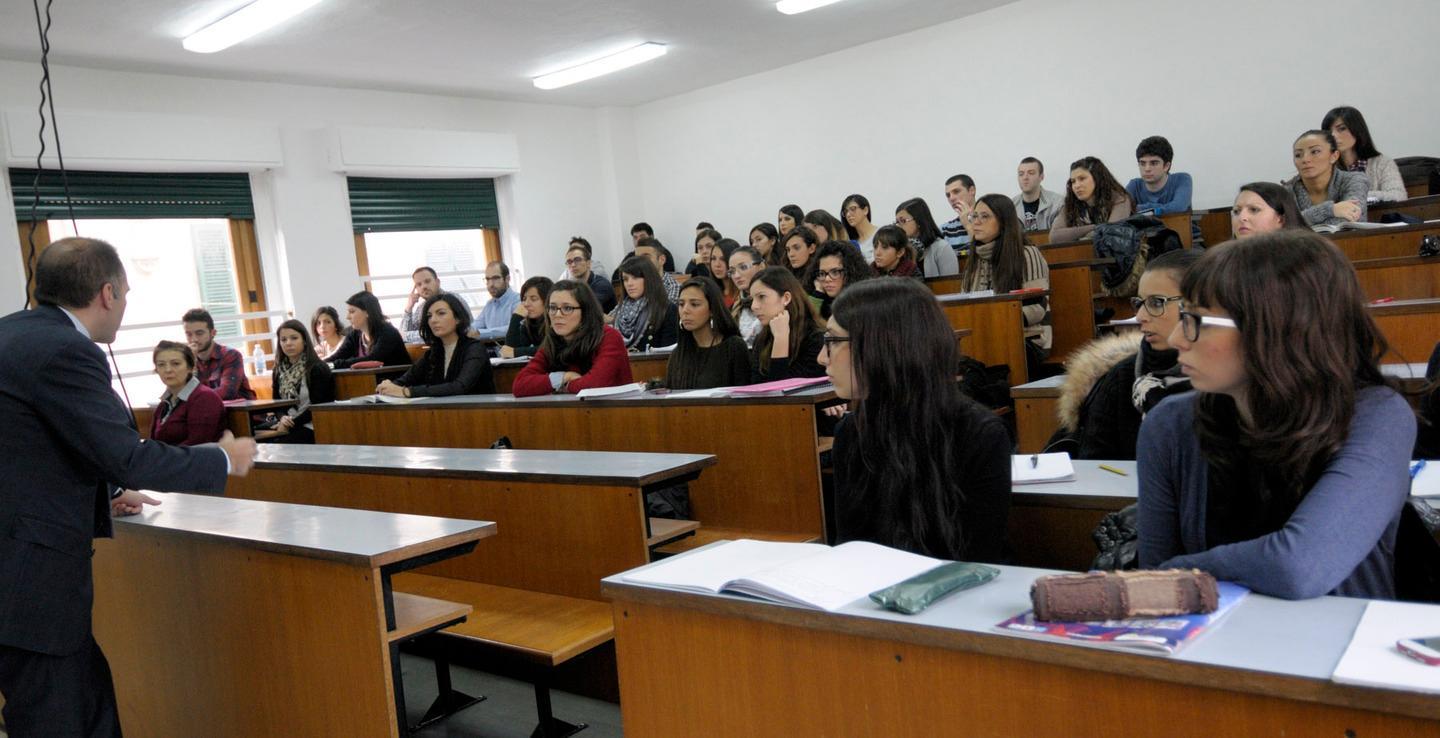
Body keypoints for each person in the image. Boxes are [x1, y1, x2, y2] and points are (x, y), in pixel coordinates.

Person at [0, 237, 255, 738]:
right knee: (62, 717)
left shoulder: (13, 333)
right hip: (32, 583)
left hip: (17, 575)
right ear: (108, 293)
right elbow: (127, 455)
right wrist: (224, 458)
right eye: (127, 293)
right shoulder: (66, 350)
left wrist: (109, 491)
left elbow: (33, 447)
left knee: (80, 705)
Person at [1138, 230, 1414, 600]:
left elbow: (1299, 566)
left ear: (1275, 328)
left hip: (1343, 635)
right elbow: (1154, 586)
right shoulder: (1169, 425)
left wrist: (1179, 573)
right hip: (1216, 636)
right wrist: (1168, 578)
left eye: (1196, 319)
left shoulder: (1377, 416)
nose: (1176, 338)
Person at [820, 278, 1011, 562]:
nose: (822, 357)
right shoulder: (852, 432)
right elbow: (851, 552)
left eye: (833, 341)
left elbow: (978, 561)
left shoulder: (979, 434)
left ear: (885, 345)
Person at [1052, 249, 1202, 459]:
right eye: (1139, 303)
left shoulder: (1230, 380)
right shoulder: (1121, 377)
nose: (1140, 316)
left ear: (1200, 306)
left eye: (1156, 302)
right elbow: (1095, 463)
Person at [962, 195, 1052, 367]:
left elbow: (1037, 309)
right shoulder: (974, 260)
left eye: (985, 216)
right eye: (974, 216)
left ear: (1003, 222)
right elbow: (966, 305)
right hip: (984, 338)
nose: (976, 222)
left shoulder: (1027, 254)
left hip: (1027, 341)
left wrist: (992, 321)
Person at [512, 280, 634, 396]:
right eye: (553, 308)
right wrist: (563, 377)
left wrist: (565, 386)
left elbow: (595, 384)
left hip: (616, 409)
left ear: (585, 312)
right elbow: (519, 385)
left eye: (567, 308)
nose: (557, 315)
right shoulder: (553, 341)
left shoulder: (609, 336)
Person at [378, 293, 496, 397]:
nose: (433, 320)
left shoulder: (475, 348)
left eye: (441, 313)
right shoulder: (432, 353)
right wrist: (388, 386)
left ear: (458, 318)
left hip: (480, 412)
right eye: (429, 316)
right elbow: (405, 380)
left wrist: (407, 392)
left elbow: (459, 387)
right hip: (445, 411)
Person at [665, 278, 752, 390]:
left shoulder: (734, 347)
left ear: (712, 309)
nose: (685, 310)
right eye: (681, 304)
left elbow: (744, 394)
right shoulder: (678, 354)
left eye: (694, 304)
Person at [264, 319, 336, 444]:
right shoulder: (278, 370)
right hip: (287, 422)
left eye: (294, 338)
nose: (288, 343)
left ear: (304, 340)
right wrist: (282, 419)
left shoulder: (317, 368)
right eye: (283, 340)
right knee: (250, 438)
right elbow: (277, 403)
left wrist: (290, 423)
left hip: (312, 425)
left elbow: (318, 407)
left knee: (277, 444)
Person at [748, 266, 826, 383]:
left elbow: (783, 388)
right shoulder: (762, 339)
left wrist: (781, 339)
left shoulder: (816, 337)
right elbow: (756, 386)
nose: (753, 306)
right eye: (752, 299)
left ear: (786, 298)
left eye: (761, 297)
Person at [1285, 129, 1369, 228]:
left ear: (1334, 156)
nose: (1305, 159)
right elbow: (1283, 226)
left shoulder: (1354, 180)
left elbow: (1351, 217)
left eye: (1315, 152)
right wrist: (1330, 209)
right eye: (1298, 155)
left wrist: (1303, 220)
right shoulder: (1287, 190)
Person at [1323, 106, 1408, 202]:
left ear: (1357, 130)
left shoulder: (1382, 163)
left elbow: (1398, 195)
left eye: (1342, 129)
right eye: (1329, 132)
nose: (1333, 135)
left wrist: (1359, 195)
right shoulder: (1324, 167)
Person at [149, 340, 225, 446]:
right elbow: (154, 444)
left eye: (176, 363)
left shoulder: (205, 398)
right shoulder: (164, 403)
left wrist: (161, 455)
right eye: (161, 364)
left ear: (190, 367)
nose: (168, 370)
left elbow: (197, 445)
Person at [1051, 156, 1134, 242]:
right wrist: (1095, 227)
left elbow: (1111, 233)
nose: (1077, 185)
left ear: (1097, 178)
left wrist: (1077, 234)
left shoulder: (1120, 199)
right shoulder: (1071, 204)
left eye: (1082, 179)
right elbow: (1054, 236)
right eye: (1073, 181)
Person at [608, 256, 680, 351]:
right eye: (625, 279)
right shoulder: (620, 309)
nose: (629, 283)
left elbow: (668, 352)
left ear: (649, 278)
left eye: (635, 277)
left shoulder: (667, 309)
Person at [182, 307, 255, 400]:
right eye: (189, 334)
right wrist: (190, 362)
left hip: (240, 408)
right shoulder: (187, 360)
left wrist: (193, 398)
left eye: (199, 333)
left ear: (213, 333)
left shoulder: (231, 355)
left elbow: (227, 393)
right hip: (207, 408)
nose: (194, 339)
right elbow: (180, 394)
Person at [328, 290, 410, 368]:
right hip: (371, 377)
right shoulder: (354, 334)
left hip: (396, 377)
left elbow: (373, 359)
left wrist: (333, 365)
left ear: (367, 312)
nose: (347, 317)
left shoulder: (388, 332)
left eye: (352, 312)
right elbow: (338, 356)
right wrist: (323, 365)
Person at [1125, 136, 1194, 216]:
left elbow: (1178, 207)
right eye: (1142, 163)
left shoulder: (1182, 179)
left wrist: (1139, 208)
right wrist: (1162, 208)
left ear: (1166, 166)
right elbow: (1122, 209)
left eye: (1154, 163)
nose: (1147, 169)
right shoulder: (1134, 185)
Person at [894, 198, 959, 277]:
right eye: (897, 222)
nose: (898, 226)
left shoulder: (942, 248)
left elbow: (951, 282)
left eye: (903, 221)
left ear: (918, 221)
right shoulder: (901, 250)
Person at [814, 239, 874, 319]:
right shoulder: (822, 299)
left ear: (850, 272)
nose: (827, 279)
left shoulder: (865, 306)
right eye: (822, 273)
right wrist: (818, 294)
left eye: (835, 272)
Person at [1231, 182, 1308, 238]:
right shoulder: (1227, 254)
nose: (1241, 218)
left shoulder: (1306, 254)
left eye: (1254, 210)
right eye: (1236, 211)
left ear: (1281, 219)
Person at [501, 276, 552, 359]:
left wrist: (516, 352)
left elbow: (551, 348)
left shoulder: (556, 321)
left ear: (547, 300)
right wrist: (515, 318)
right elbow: (509, 349)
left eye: (533, 299)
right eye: (524, 299)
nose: (526, 304)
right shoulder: (529, 324)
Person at [727, 246, 767, 348]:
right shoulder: (735, 307)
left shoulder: (776, 300)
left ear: (761, 266)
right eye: (732, 271)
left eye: (743, 267)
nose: (736, 276)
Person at [1013, 156, 1064, 232]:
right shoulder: (1011, 206)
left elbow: (1059, 235)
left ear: (1041, 177)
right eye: (1021, 174)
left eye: (1031, 173)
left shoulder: (1057, 203)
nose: (1025, 177)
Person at [564, 241, 616, 313]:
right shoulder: (570, 286)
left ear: (588, 263)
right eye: (569, 262)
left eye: (577, 260)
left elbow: (585, 309)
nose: (573, 265)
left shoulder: (602, 284)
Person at [475, 261, 520, 341]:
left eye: (495, 278)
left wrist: (480, 333)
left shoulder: (518, 301)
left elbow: (513, 328)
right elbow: (476, 324)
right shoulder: (489, 305)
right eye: (488, 279)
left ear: (507, 279)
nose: (490, 284)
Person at [633, 237, 682, 303]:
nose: (640, 262)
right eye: (637, 258)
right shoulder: (633, 284)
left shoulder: (673, 288)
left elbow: (665, 310)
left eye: (646, 257)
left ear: (662, 260)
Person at [400, 266, 441, 344]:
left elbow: (435, 334)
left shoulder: (451, 300)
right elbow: (403, 336)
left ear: (437, 282)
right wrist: (409, 307)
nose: (424, 287)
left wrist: (406, 335)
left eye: (427, 281)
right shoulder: (421, 307)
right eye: (419, 284)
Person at [939, 174, 977, 254]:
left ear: (972, 190)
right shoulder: (945, 230)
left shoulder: (990, 221)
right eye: (948, 195)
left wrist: (968, 225)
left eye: (956, 191)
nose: (951, 198)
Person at [841, 194, 879, 261]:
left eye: (853, 209)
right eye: (845, 212)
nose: (848, 214)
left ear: (865, 210)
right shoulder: (851, 244)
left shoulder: (881, 233)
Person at [707, 238, 741, 307]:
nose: (717, 264)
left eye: (723, 259)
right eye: (713, 258)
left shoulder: (743, 292)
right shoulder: (710, 290)